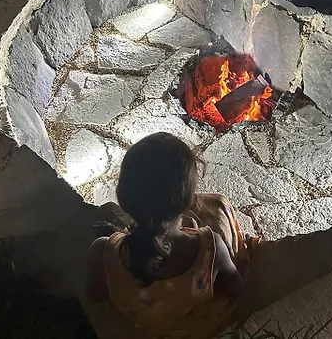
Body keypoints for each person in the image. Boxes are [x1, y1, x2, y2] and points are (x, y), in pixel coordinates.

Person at [86, 132, 258, 339]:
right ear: (190, 202)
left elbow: (94, 294)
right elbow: (236, 290)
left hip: (145, 329)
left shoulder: (102, 251)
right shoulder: (211, 247)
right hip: (196, 330)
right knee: (219, 205)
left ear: (123, 196)